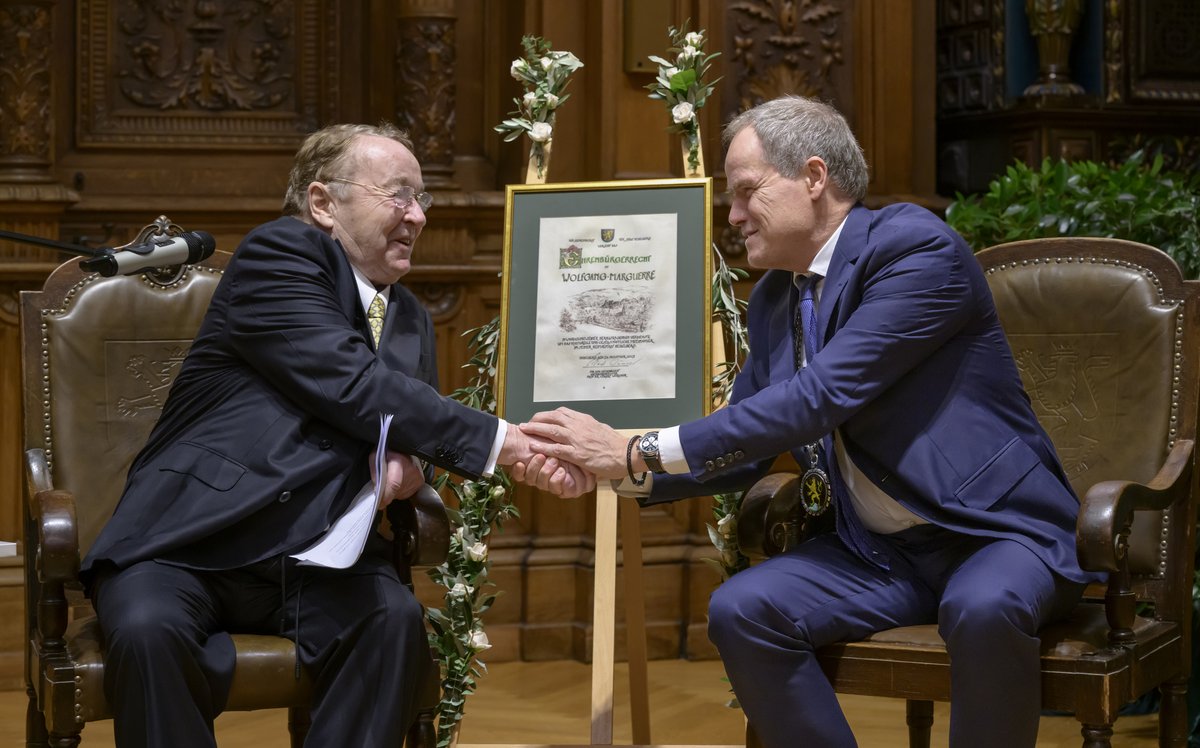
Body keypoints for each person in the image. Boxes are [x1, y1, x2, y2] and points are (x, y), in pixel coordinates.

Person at [518, 95, 1098, 748]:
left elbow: (819, 397)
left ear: (814, 178)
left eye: (745, 192)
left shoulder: (915, 249)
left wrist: (634, 448)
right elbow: (747, 445)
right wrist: (614, 476)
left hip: (994, 534)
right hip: (879, 553)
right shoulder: (775, 297)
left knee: (982, 606)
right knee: (743, 610)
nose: (732, 217)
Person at [81, 122, 592, 748]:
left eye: (422, 199)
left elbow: (409, 428)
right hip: (191, 541)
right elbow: (356, 387)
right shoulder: (279, 255)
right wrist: (511, 444)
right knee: (146, 630)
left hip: (316, 556)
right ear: (323, 203)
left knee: (390, 619)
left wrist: (409, 474)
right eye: (399, 195)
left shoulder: (408, 316)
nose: (418, 217)